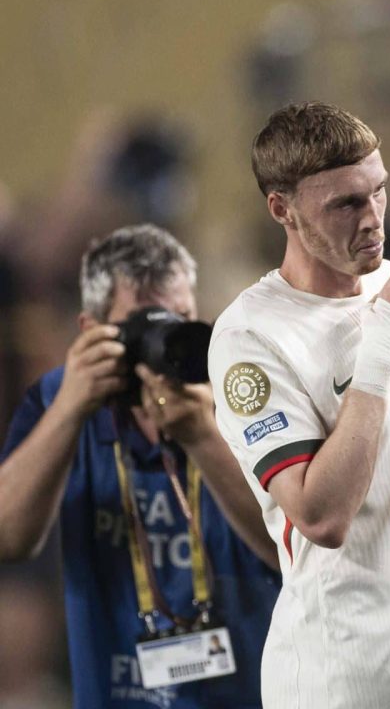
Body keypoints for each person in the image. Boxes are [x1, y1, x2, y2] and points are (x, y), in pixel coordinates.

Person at [206, 102, 390, 707]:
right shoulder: (251, 337)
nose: (373, 219)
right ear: (282, 209)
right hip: (342, 677)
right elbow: (321, 517)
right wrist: (376, 359)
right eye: (345, 204)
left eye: (379, 192)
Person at [0, 224, 280, 708]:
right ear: (92, 331)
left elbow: (292, 548)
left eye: (179, 321)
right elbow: (9, 537)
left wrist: (203, 436)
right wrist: (70, 409)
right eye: (143, 326)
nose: (162, 344)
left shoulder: (238, 396)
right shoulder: (58, 400)